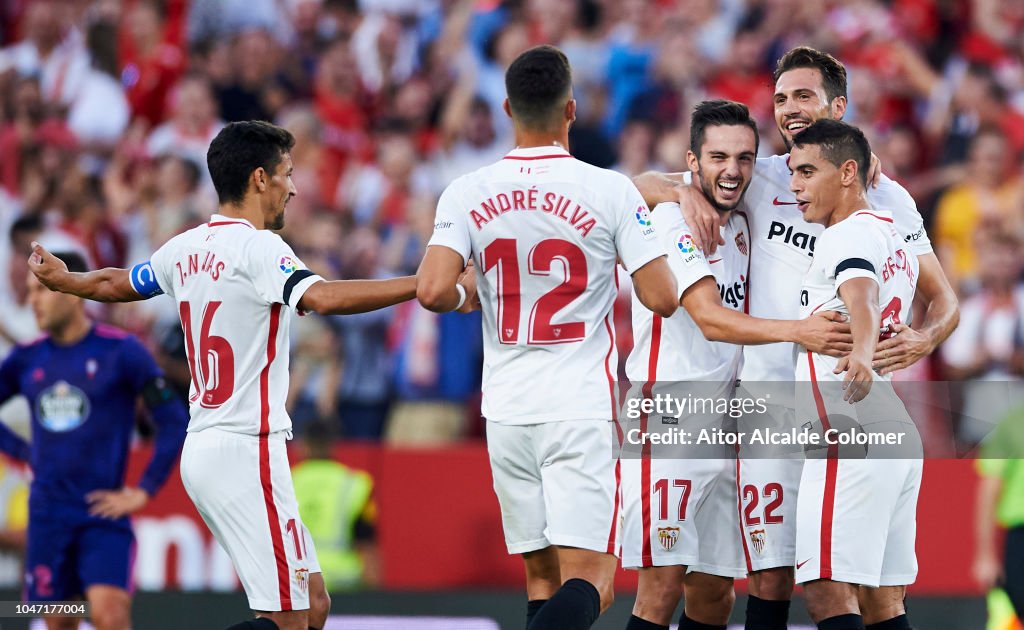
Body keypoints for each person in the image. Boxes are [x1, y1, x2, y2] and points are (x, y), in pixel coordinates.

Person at [28, 120, 419, 630]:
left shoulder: (184, 248)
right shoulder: (260, 249)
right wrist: (420, 282)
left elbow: (117, 283)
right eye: (287, 174)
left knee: (314, 605)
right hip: (245, 446)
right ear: (260, 179)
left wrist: (66, 279)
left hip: (213, 447)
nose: (294, 188)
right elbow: (322, 296)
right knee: (286, 619)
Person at [632, 46, 959, 630]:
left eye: (802, 96)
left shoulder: (888, 197)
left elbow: (945, 299)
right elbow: (636, 187)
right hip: (767, 404)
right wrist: (681, 191)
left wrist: (925, 338)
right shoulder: (756, 174)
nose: (788, 110)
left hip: (847, 403)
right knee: (778, 575)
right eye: (780, 98)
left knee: (869, 589)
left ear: (839, 103)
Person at [417, 45, 679, 630]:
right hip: (578, 406)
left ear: (508, 108)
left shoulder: (466, 190)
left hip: (506, 408)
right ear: (572, 109)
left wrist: (474, 292)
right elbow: (661, 297)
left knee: (542, 578)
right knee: (594, 580)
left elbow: (433, 290)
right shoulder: (610, 190)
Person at [621, 100, 851, 630]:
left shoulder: (745, 218)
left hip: (731, 423)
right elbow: (709, 318)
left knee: (715, 592)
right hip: (671, 418)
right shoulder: (667, 219)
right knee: (660, 589)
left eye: (745, 158)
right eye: (718, 157)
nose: (732, 171)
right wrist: (800, 333)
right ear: (692, 162)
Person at [0, 251, 188, 630]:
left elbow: (173, 422)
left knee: (108, 613)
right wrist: (25, 451)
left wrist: (145, 490)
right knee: (60, 620)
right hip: (48, 518)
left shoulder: (122, 352)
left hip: (101, 514)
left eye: (42, 289)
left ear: (70, 291)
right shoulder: (25, 359)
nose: (32, 300)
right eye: (30, 291)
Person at [789, 119, 922, 630]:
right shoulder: (893, 235)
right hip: (892, 430)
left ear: (848, 172)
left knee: (825, 590)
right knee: (884, 604)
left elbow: (861, 295)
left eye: (807, 171)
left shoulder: (847, 235)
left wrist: (862, 353)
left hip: (850, 426)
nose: (796, 185)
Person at [291, 421, 379, 591]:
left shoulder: (285, 483)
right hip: (343, 583)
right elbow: (367, 544)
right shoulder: (355, 484)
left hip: (297, 582)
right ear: (333, 445)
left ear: (302, 445)